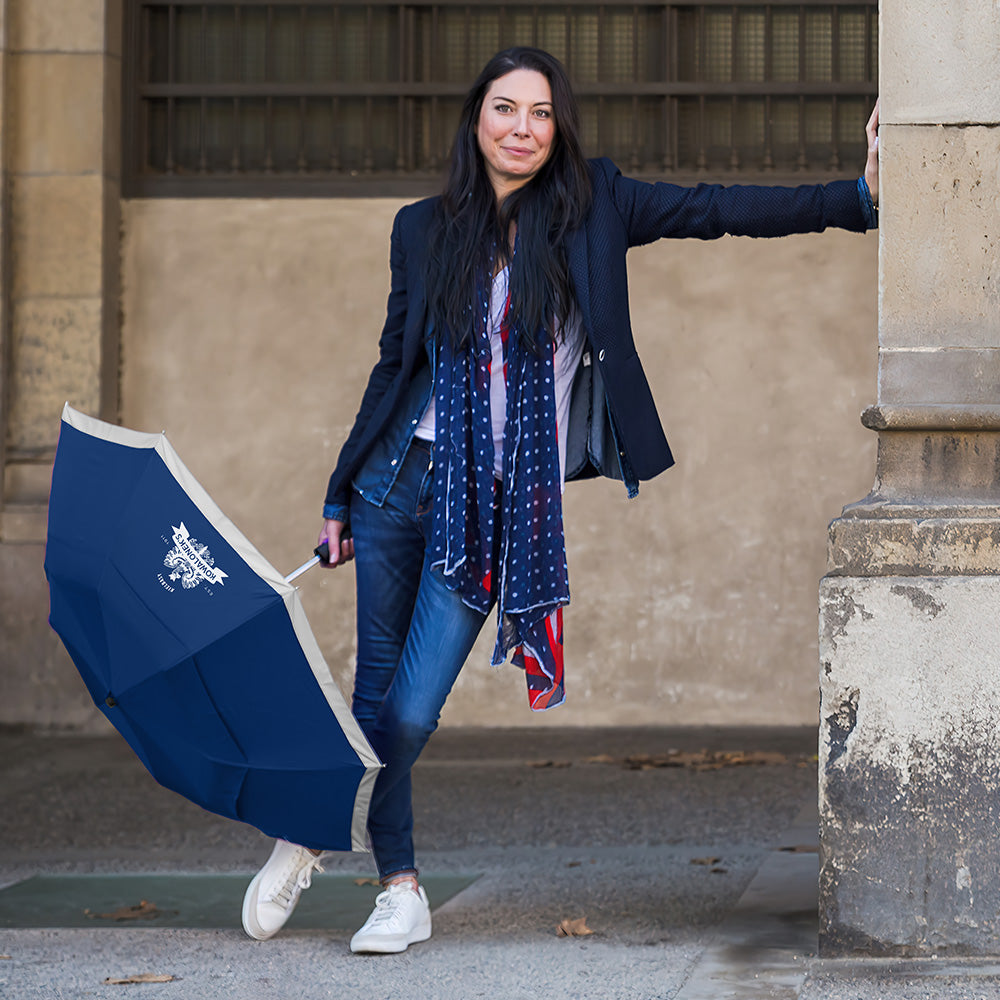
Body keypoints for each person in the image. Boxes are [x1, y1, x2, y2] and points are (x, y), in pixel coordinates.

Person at [242, 46, 880, 954]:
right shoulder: (423, 228)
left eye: (541, 114)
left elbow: (719, 208)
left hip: (496, 502)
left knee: (410, 711)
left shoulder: (598, 206)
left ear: (558, 128)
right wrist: (340, 492)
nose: (523, 128)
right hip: (397, 484)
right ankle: (401, 887)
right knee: (375, 688)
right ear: (477, 120)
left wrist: (855, 201)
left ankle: (308, 825)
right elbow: (394, 368)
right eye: (506, 109)